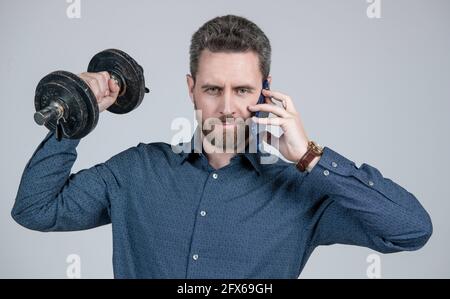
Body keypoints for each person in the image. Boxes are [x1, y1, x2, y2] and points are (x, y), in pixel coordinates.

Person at [12, 15, 432, 278]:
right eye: (213, 88)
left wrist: (311, 157)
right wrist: (78, 113)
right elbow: (35, 209)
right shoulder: (136, 171)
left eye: (243, 89)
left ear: (265, 91)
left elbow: (411, 230)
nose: (228, 107)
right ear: (191, 89)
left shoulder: (302, 191)